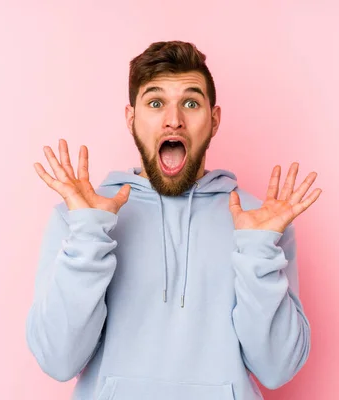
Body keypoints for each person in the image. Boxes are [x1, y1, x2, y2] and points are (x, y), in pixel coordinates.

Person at [26, 40, 321, 400]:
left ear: (213, 120)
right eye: (155, 103)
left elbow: (278, 369)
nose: (173, 119)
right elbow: (58, 360)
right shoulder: (81, 219)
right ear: (131, 119)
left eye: (191, 103)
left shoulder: (260, 223)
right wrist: (88, 234)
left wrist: (258, 251)